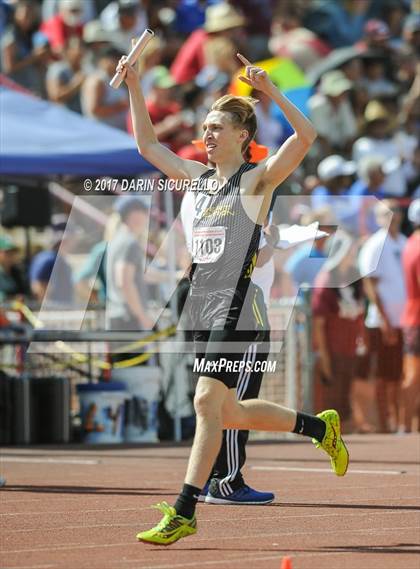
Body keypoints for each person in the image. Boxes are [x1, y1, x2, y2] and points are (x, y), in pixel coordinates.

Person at [117, 51, 349, 546]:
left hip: (238, 303)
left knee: (206, 402)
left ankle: (184, 510)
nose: (208, 134)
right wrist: (135, 83)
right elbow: (146, 143)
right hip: (201, 303)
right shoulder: (197, 180)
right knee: (229, 413)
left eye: (218, 127)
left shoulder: (256, 181)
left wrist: (271, 92)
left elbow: (305, 137)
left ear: (243, 136)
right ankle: (317, 427)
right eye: (205, 126)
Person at [181, 189, 276, 505]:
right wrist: (273, 241)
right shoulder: (239, 196)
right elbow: (257, 256)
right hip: (238, 305)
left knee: (211, 399)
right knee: (234, 399)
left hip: (207, 303)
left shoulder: (199, 195)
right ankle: (227, 480)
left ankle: (210, 478)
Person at [358, 199, 407, 432]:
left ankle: (399, 421)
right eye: (387, 212)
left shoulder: (405, 242)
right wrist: (385, 319)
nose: (393, 215)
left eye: (396, 210)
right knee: (384, 375)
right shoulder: (375, 244)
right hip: (382, 322)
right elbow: (370, 284)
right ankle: (384, 425)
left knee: (399, 374)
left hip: (405, 321)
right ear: (378, 218)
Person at [400, 199, 420, 432]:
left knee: (412, 374)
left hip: (412, 316)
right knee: (413, 375)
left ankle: (405, 426)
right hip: (416, 318)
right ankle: (405, 427)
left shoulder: (410, 243)